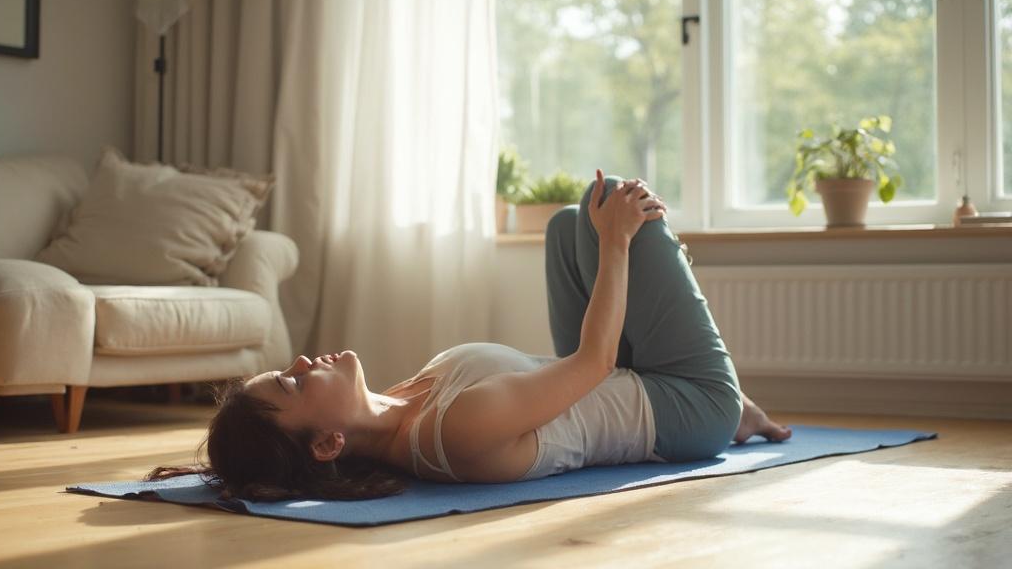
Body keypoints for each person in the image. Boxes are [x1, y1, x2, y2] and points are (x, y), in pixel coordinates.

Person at [150, 169, 791, 501]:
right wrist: (621, 241)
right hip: (684, 407)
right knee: (620, 207)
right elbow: (593, 364)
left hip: (637, 384)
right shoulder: (454, 432)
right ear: (327, 443)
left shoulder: (403, 403)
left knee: (567, 222)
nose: (301, 360)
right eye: (293, 381)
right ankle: (728, 404)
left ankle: (743, 412)